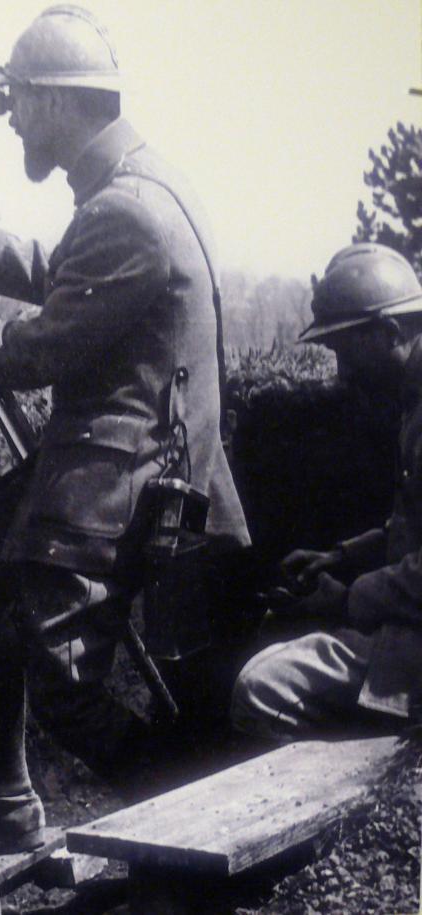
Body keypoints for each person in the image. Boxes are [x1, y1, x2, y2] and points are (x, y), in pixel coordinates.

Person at [0, 4, 250, 851]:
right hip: (132, 455)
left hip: (132, 477)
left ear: (53, 104)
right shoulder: (137, 186)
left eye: (18, 102)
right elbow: (65, 277)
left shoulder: (127, 210)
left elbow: (43, 343)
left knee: (68, 688)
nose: (11, 119)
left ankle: (192, 815)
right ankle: (7, 801)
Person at [231, 243, 422, 740]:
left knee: (261, 689)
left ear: (390, 332)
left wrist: (345, 599)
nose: (341, 373)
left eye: (346, 350)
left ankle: (369, 802)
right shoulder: (411, 397)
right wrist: (339, 556)